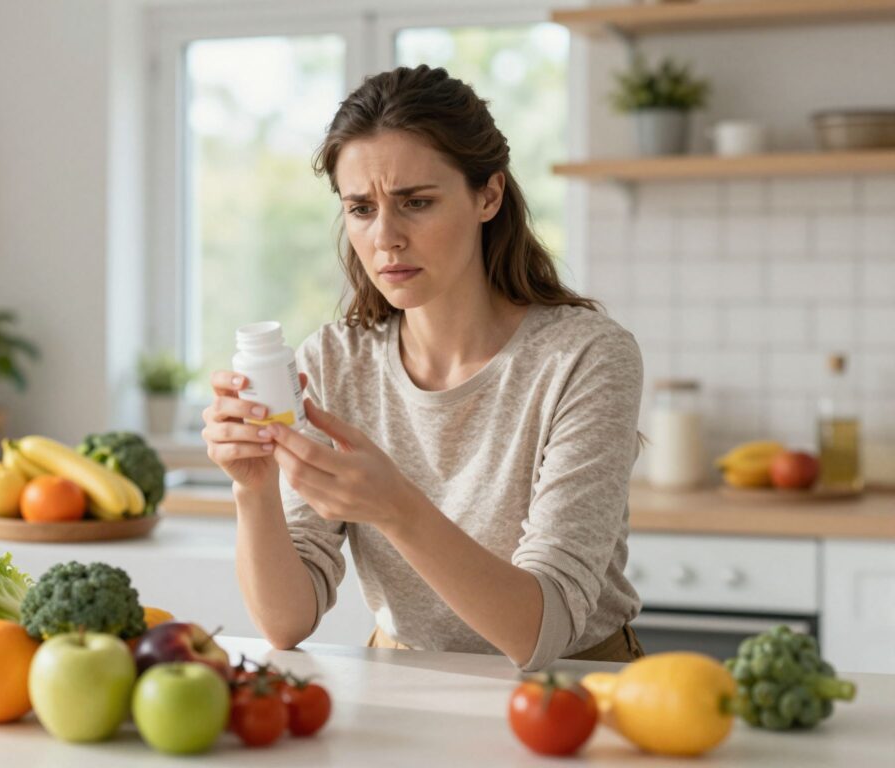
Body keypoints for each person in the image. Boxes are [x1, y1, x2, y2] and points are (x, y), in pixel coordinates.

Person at [202, 65, 644, 669]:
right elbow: (284, 622)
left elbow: (545, 632)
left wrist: (398, 508)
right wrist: (252, 491)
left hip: (573, 685)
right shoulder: (331, 361)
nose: (385, 237)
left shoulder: (584, 357)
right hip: (405, 677)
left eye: (416, 203)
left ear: (488, 195)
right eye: (360, 208)